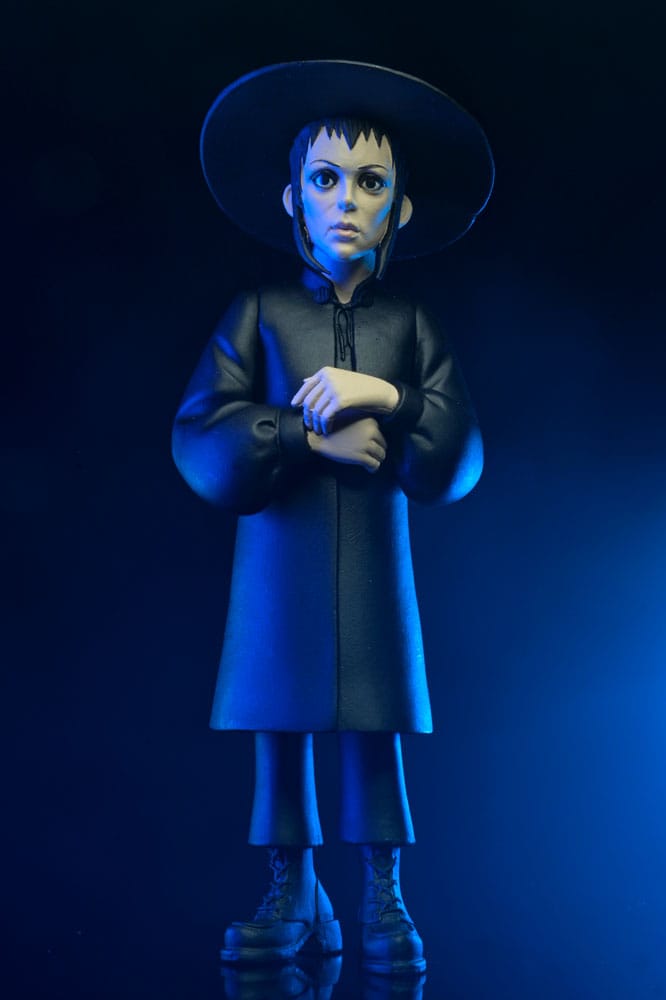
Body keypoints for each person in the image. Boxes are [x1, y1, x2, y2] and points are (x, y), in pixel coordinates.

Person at [172, 60, 494, 976]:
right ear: (293, 199)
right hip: (281, 556)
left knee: (374, 721)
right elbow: (198, 433)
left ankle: (382, 886)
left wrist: (387, 395)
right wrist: (303, 437)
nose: (346, 201)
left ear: (400, 208)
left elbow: (459, 452)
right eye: (325, 178)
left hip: (375, 564)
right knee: (280, 720)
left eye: (370, 182)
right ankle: (292, 885)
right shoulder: (261, 313)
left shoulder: (410, 324)